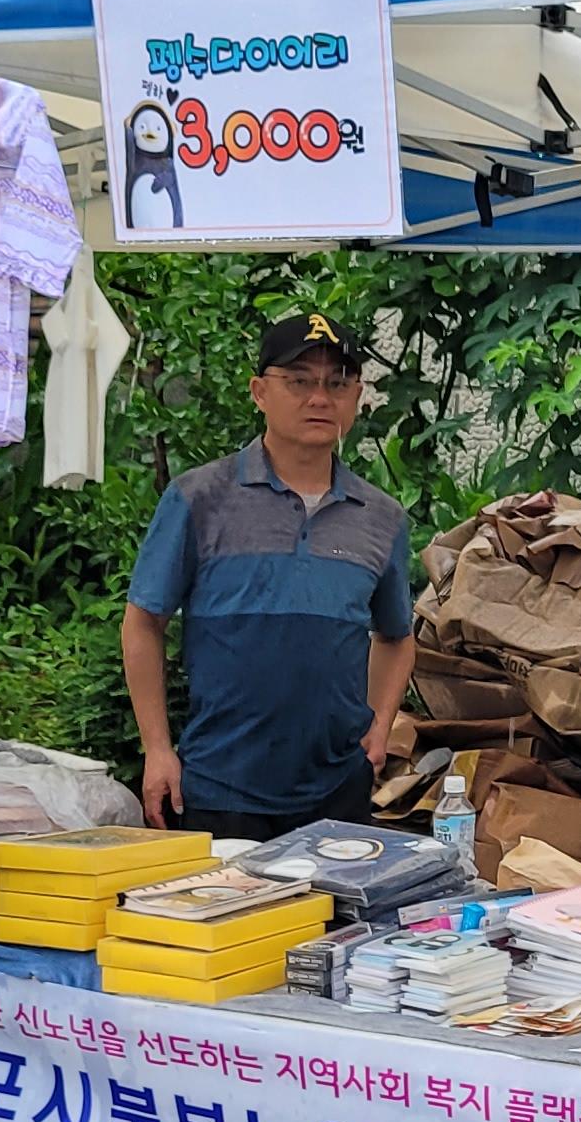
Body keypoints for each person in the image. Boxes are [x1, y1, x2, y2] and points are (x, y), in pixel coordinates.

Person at [121, 309, 416, 843]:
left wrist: (380, 727)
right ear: (260, 392)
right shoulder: (199, 499)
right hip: (219, 788)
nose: (319, 398)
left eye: (337, 383)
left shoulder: (382, 518)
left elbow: (396, 636)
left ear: (356, 397)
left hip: (338, 793)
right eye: (299, 381)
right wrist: (157, 749)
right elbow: (143, 623)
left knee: (342, 905)